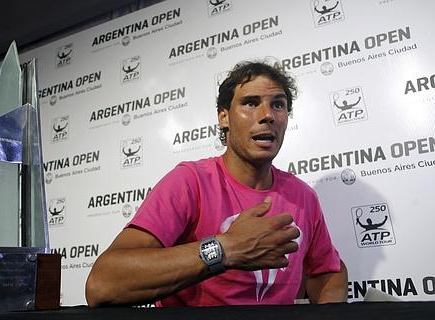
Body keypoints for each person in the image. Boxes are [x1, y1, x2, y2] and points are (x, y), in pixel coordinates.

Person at [85, 61, 348, 307]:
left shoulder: (303, 196)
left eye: (278, 104)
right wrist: (225, 249)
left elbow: (327, 272)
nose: (267, 115)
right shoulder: (190, 181)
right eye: (251, 103)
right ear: (224, 117)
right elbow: (103, 283)